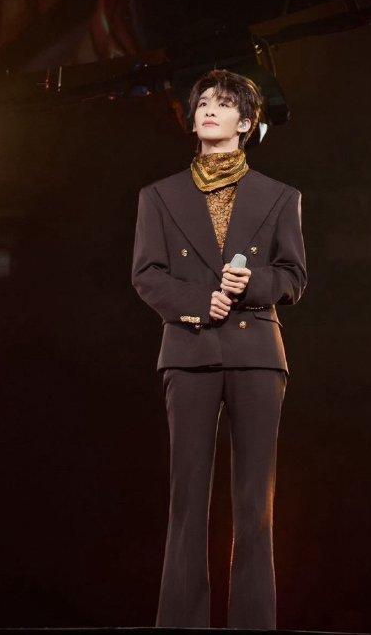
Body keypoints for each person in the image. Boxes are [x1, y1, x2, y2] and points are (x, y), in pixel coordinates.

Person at [131, 68, 307, 629]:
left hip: (257, 352)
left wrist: (251, 284)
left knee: (255, 501)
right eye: (203, 102)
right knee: (187, 496)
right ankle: (181, 623)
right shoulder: (159, 196)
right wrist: (197, 302)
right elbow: (146, 275)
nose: (209, 109)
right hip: (189, 349)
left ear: (246, 122)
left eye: (224, 103)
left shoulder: (280, 196)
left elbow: (293, 276)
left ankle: (254, 624)